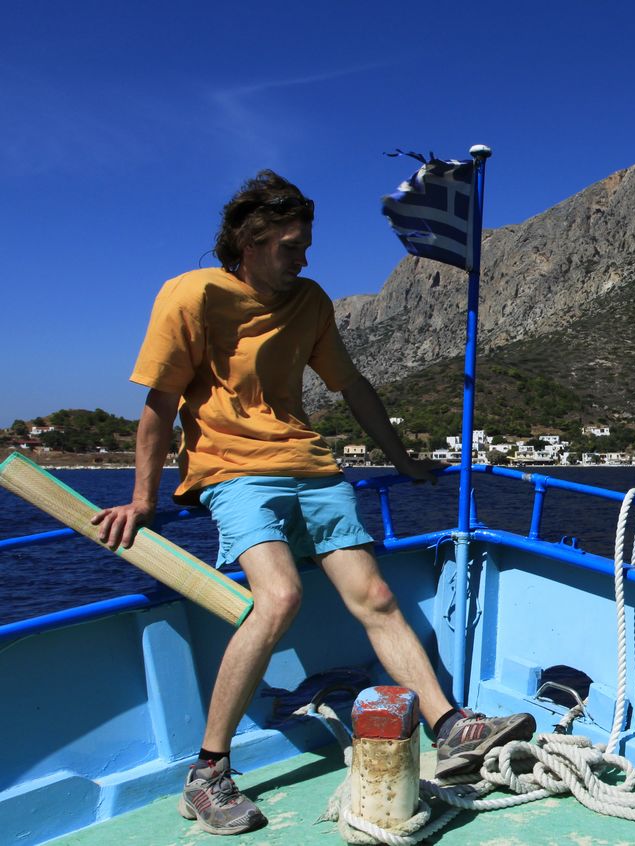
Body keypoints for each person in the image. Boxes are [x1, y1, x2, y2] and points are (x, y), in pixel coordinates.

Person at [92, 171, 533, 836]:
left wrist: (403, 461)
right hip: (234, 472)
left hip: (312, 467)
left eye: (305, 245)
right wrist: (142, 498)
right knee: (278, 598)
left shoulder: (311, 302)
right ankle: (207, 774)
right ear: (252, 242)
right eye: (292, 246)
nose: (304, 257)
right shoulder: (191, 295)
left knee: (378, 599)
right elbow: (159, 401)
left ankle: (451, 727)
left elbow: (353, 388)